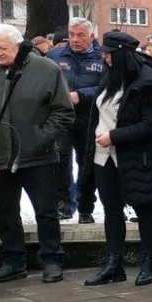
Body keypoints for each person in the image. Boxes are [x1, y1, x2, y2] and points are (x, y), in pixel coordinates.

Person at [0, 24, 75, 284]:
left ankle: (51, 259)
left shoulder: (46, 69)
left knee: (46, 211)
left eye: (3, 48)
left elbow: (63, 111)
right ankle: (13, 261)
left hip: (38, 156)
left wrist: (40, 138)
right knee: (4, 212)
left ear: (18, 45)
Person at [83, 31, 152, 288]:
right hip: (104, 156)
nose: (104, 58)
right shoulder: (110, 76)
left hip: (138, 157)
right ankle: (113, 265)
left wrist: (114, 136)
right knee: (112, 210)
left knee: (145, 209)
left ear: (122, 54)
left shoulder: (146, 81)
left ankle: (148, 264)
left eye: (109, 54)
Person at [46, 18, 105, 224]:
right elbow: (45, 82)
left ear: (92, 36)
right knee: (61, 159)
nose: (75, 39)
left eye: (80, 35)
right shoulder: (54, 56)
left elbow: (108, 86)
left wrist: (82, 95)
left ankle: (85, 207)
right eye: (72, 34)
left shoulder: (102, 57)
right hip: (62, 117)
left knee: (86, 163)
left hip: (90, 117)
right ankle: (64, 203)